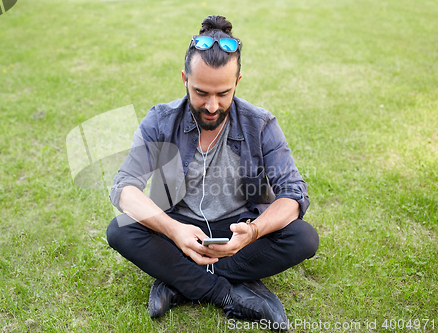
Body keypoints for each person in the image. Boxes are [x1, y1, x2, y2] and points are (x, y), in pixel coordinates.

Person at [106, 15, 319, 330]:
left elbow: (293, 193)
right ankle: (228, 294)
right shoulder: (160, 121)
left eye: (223, 93)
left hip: (240, 232)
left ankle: (177, 280)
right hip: (179, 229)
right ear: (184, 79)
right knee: (121, 230)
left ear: (238, 82)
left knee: (303, 236)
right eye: (201, 92)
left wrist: (254, 232)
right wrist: (174, 231)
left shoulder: (261, 124)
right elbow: (124, 187)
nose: (211, 105)